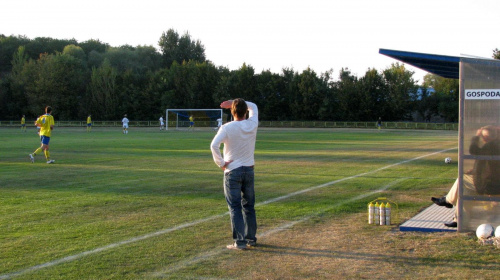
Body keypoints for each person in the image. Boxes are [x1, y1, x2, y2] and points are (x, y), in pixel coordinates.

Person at [210, 98, 259, 250]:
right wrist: (235, 101)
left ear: (232, 112)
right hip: (249, 170)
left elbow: (214, 145)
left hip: (233, 171)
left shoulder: (227, 127)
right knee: (249, 206)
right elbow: (254, 106)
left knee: (235, 207)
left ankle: (240, 242)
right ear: (245, 111)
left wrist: (221, 163)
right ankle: (251, 238)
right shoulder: (252, 124)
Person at [432, 125, 500, 227]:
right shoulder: (495, 145)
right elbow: (490, 167)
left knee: (463, 183)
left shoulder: (491, 145)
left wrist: (476, 137)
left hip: (492, 186)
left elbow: (474, 151)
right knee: (464, 184)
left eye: (483, 137)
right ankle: (455, 215)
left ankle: (449, 203)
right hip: (494, 183)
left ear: (486, 138)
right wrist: (474, 171)